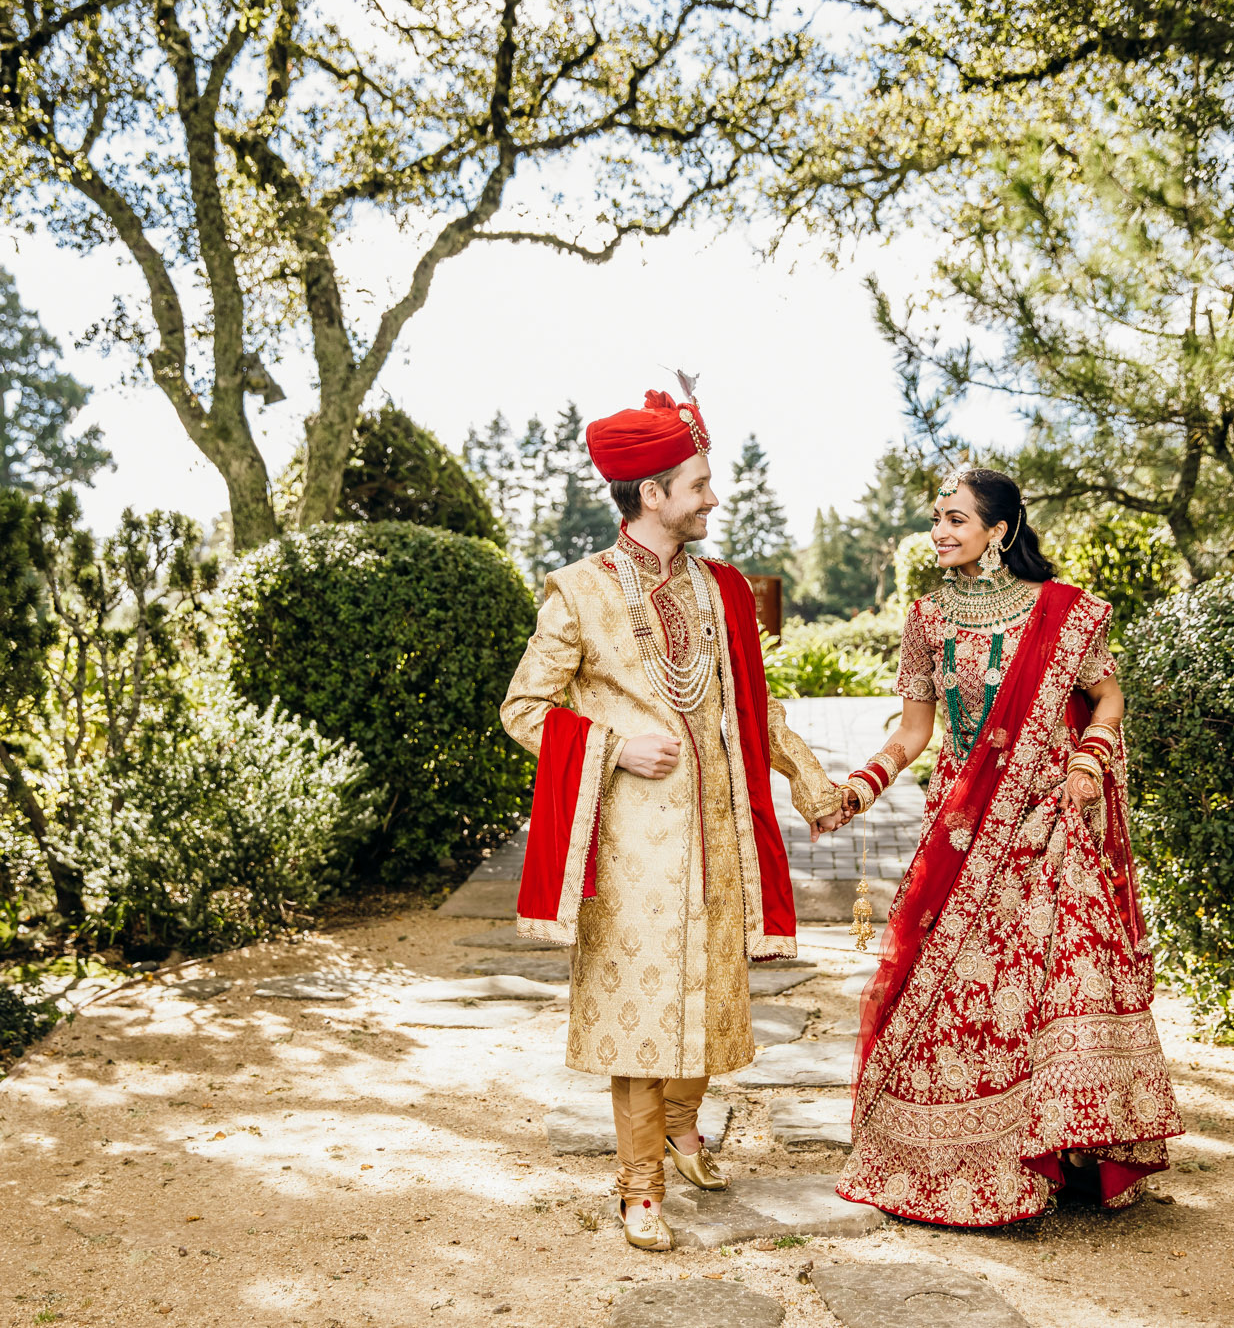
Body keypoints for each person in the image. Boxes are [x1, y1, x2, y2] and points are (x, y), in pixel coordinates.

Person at [500, 388, 847, 1251]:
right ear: (651, 494)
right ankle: (638, 1187)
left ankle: (684, 1128)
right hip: (631, 846)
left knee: (707, 992)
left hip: (714, 835)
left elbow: (753, 712)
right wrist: (613, 745)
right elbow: (524, 709)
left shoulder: (723, 590)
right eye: (698, 484)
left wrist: (812, 782)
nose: (713, 498)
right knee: (638, 1010)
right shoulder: (578, 593)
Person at [831, 468, 1183, 1226]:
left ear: (1000, 531)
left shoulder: (1063, 612)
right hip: (965, 831)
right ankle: (970, 1157)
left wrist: (1088, 759)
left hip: (1052, 823)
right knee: (967, 999)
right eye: (936, 518)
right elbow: (914, 733)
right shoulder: (926, 616)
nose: (941, 531)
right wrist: (859, 789)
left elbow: (1108, 693)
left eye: (957, 518)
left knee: (1068, 984)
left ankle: (1072, 1153)